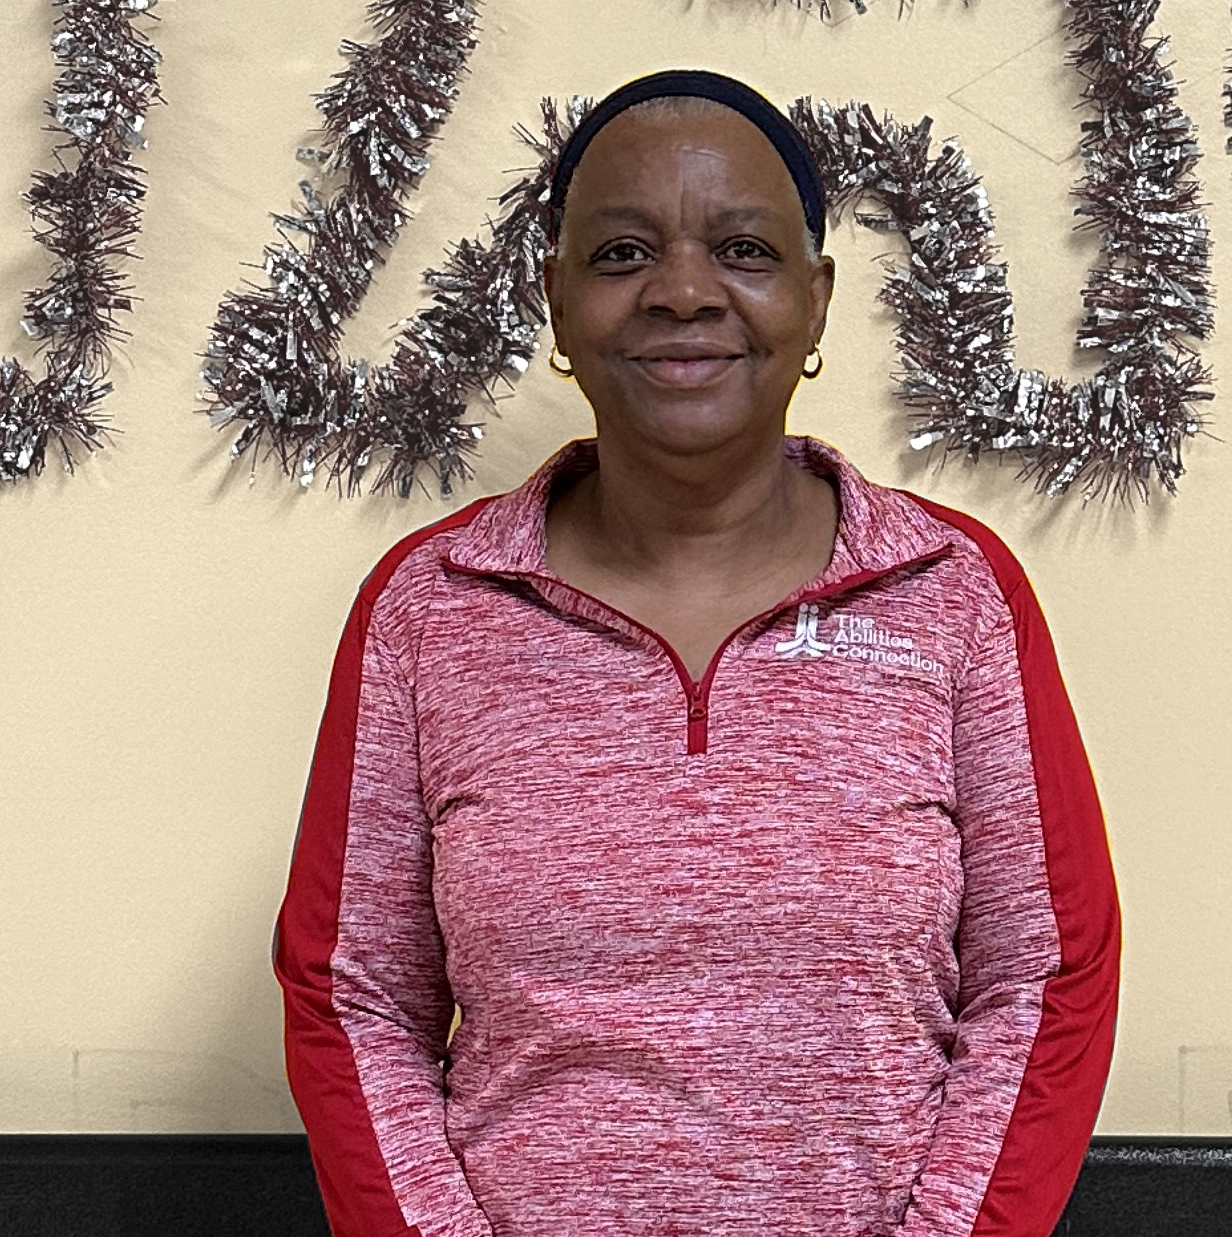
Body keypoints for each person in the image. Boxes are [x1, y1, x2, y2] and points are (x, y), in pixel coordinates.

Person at [272, 68, 1121, 1237]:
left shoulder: (951, 592)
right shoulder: (430, 606)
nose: (682, 293)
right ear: (555, 302)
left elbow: (1046, 976)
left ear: (814, 301)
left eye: (743, 250)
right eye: (620, 254)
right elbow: (351, 997)